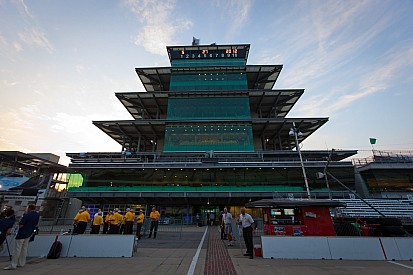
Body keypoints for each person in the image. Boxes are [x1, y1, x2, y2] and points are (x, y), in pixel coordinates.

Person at [4, 204, 39, 270]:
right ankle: (21, 263)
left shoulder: (26, 215)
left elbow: (21, 225)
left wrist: (20, 221)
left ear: (29, 208)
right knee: (24, 248)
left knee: (17, 249)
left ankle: (13, 264)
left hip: (22, 233)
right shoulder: (37, 215)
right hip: (29, 233)